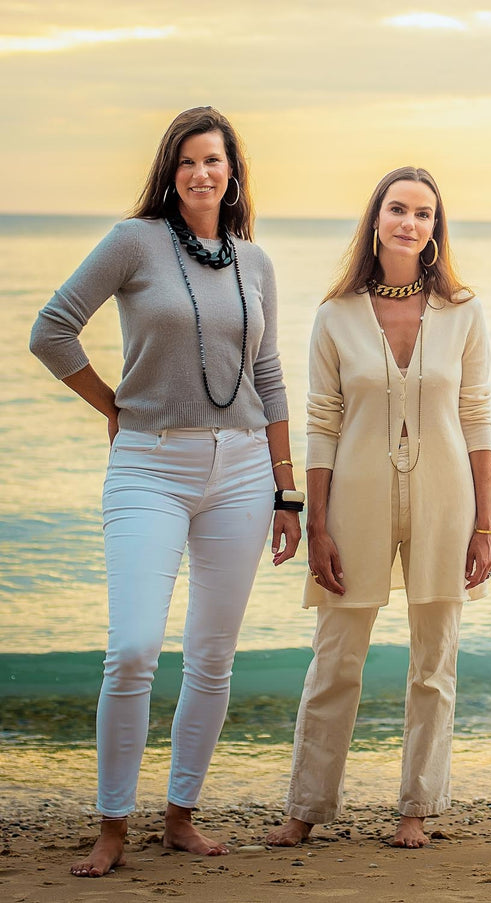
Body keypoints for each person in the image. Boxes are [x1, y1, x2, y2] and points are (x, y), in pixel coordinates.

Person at [30, 106, 302, 877]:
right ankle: (111, 823)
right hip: (149, 465)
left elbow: (271, 375)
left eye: (212, 160)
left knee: (212, 657)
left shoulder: (255, 262)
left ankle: (180, 814)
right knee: (135, 649)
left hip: (245, 469)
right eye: (186, 162)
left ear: (232, 170)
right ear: (168, 171)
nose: (200, 174)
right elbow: (52, 329)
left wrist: (287, 492)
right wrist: (111, 405)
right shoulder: (133, 242)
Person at [266, 166, 491, 849]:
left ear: (434, 230)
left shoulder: (464, 312)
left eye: (424, 213)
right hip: (355, 501)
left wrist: (486, 524)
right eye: (398, 208)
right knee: (335, 657)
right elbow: (322, 421)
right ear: (376, 219)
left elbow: (478, 418)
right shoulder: (335, 315)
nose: (409, 222)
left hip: (447, 500)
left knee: (435, 661)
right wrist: (317, 521)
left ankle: (417, 805)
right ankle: (306, 804)